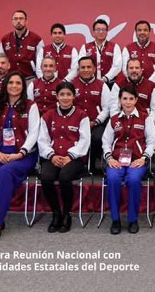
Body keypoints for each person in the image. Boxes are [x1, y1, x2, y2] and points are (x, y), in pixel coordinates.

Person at [0, 72, 40, 246]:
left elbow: (34, 133)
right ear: (6, 85)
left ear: (23, 87)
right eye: (11, 83)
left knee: (6, 172)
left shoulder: (31, 106)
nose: (14, 86)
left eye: (18, 83)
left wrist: (21, 153)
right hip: (0, 152)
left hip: (23, 156)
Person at [102, 85, 155, 234]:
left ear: (136, 100)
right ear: (120, 100)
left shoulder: (145, 118)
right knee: (112, 179)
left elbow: (152, 141)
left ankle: (132, 219)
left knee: (133, 180)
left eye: (131, 99)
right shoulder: (114, 120)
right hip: (116, 161)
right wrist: (109, 158)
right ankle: (115, 219)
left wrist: (144, 158)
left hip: (137, 161)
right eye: (124, 98)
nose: (128, 102)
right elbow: (106, 142)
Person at [37, 82, 90, 233]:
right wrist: (51, 156)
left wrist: (70, 156)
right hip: (53, 156)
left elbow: (84, 140)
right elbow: (43, 140)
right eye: (62, 94)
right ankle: (56, 213)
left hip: (74, 158)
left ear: (74, 96)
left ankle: (66, 213)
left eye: (68, 94)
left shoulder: (82, 115)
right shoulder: (48, 116)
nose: (65, 98)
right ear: (57, 97)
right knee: (46, 177)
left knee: (64, 178)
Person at [72, 56, 111, 171]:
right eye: (83, 67)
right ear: (78, 69)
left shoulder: (102, 85)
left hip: (95, 123)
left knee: (97, 138)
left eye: (89, 67)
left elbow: (106, 108)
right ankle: (78, 163)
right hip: (75, 123)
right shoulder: (72, 85)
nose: (86, 70)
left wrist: (95, 122)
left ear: (94, 69)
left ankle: (92, 163)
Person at [0, 10, 44, 81]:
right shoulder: (5, 39)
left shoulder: (36, 39)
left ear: (26, 21)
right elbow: (2, 60)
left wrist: (40, 80)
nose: (18, 21)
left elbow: (41, 62)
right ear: (12, 21)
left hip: (30, 79)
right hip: (11, 80)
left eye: (21, 18)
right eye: (16, 19)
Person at [79, 17, 122, 86]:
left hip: (109, 83)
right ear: (93, 32)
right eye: (98, 29)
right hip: (90, 83)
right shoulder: (85, 47)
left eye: (103, 30)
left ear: (107, 32)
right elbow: (82, 65)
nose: (101, 32)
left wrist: (106, 78)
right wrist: (92, 79)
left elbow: (117, 66)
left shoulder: (114, 47)